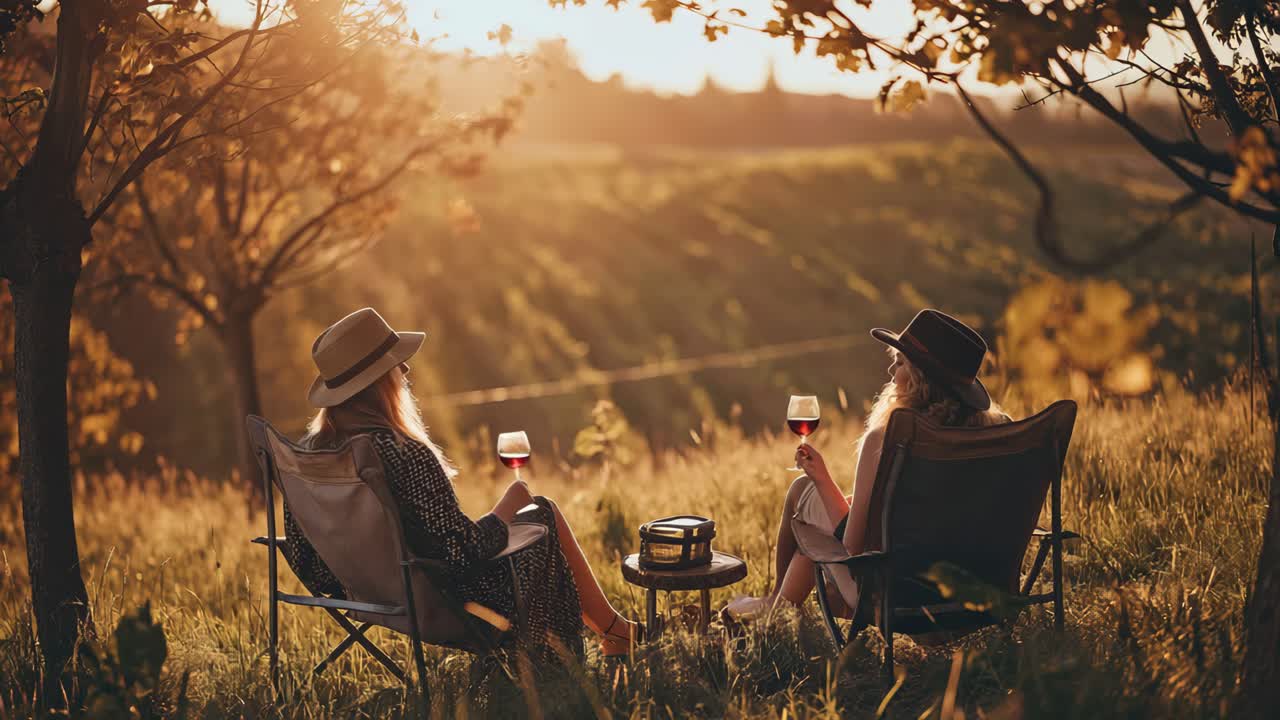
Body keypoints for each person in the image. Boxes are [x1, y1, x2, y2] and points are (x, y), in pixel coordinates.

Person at [280, 307, 641, 664]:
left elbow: (301, 558)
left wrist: (364, 576)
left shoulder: (310, 457)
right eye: (396, 364)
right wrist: (508, 505)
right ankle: (598, 643)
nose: (405, 371)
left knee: (535, 512)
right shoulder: (403, 452)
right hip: (448, 600)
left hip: (368, 596)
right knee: (540, 510)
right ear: (379, 381)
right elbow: (462, 554)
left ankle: (617, 631)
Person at [724, 309, 1012, 621]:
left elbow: (853, 546)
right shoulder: (990, 436)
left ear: (921, 378)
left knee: (802, 490)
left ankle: (775, 606)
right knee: (825, 512)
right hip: (975, 591)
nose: (891, 370)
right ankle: (777, 606)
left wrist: (822, 480)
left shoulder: (889, 439)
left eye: (900, 363)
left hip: (892, 594)